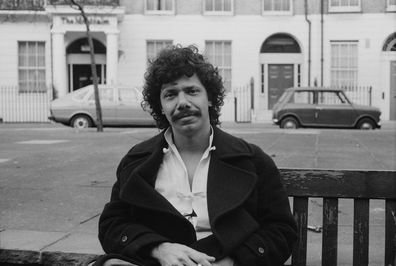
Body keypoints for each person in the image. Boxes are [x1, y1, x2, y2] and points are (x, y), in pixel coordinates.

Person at [94, 45, 297, 266]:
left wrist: (233, 262)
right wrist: (158, 249)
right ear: (160, 106)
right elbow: (112, 225)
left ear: (209, 98)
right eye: (170, 94)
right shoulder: (136, 161)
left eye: (192, 91)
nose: (182, 102)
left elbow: (281, 230)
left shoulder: (253, 161)